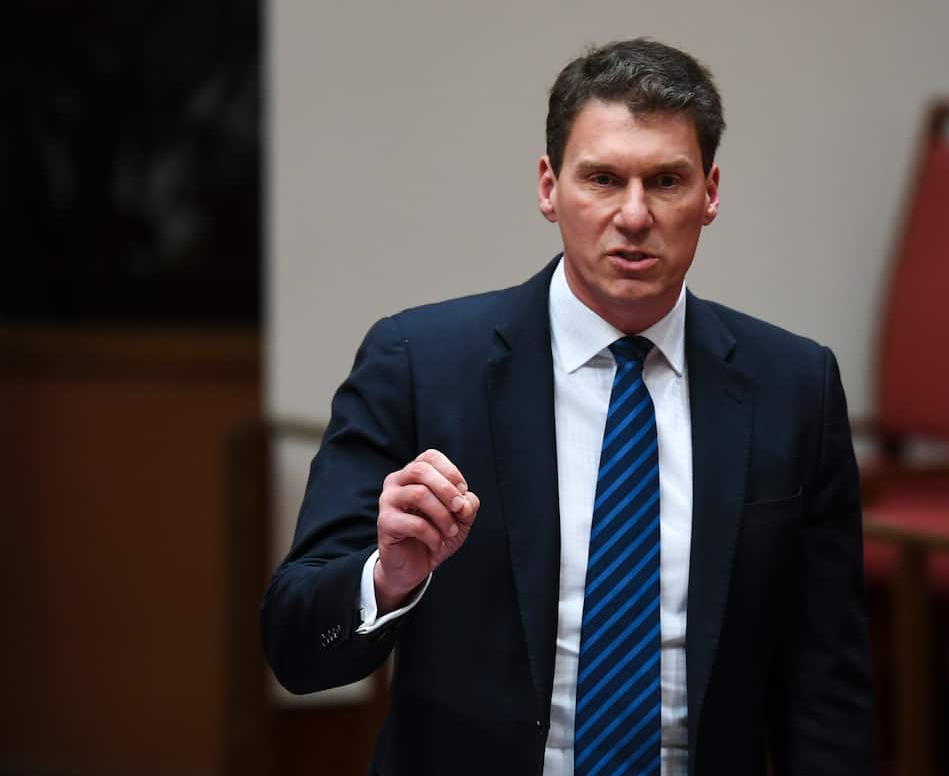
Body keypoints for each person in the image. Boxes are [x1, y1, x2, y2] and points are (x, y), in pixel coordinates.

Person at [261, 38, 875, 775]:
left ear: (710, 192)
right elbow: (296, 646)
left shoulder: (793, 386)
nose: (634, 214)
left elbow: (827, 686)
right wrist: (385, 577)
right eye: (604, 178)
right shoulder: (421, 364)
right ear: (549, 186)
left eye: (667, 180)